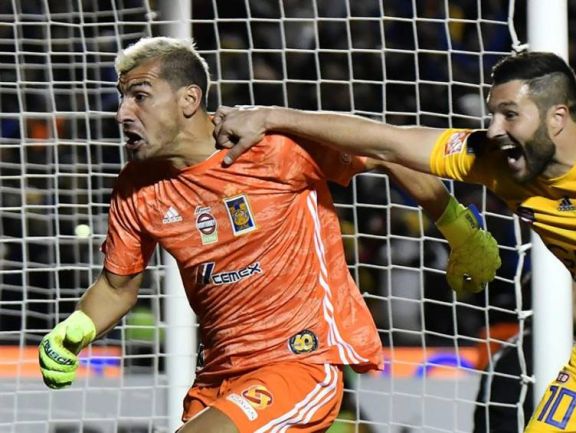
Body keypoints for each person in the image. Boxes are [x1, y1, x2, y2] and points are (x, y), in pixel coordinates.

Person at [212, 51, 576, 432]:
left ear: (557, 117)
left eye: (509, 114)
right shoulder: (497, 159)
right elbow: (389, 141)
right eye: (491, 113)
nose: (494, 127)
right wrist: (273, 116)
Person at [37, 36, 501, 433]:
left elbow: (385, 154)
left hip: (297, 363)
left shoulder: (270, 147)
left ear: (188, 100)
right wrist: (75, 329)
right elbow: (118, 286)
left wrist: (460, 230)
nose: (122, 113)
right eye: (122, 98)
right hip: (218, 376)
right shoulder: (138, 188)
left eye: (139, 96)